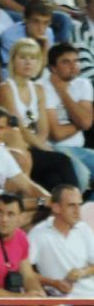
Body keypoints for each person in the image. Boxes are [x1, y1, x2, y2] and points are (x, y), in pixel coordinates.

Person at [0, 37, 78, 193]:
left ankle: (61, 207)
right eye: (23, 57)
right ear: (13, 60)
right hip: (13, 150)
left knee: (53, 179)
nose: (28, 62)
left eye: (33, 58)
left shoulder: (38, 90)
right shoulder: (5, 88)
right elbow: (20, 127)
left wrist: (41, 148)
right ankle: (75, 203)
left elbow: (44, 130)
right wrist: (46, 149)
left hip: (34, 148)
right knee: (63, 161)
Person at [29, 184, 94, 306]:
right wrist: (53, 283)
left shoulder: (84, 230)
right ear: (56, 207)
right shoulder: (39, 234)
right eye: (72, 205)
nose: (78, 211)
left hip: (88, 298)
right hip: (59, 301)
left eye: (79, 205)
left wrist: (82, 272)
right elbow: (25, 271)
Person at [42, 42, 94, 193]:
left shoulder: (83, 84)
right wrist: (80, 121)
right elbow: (56, 134)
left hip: (79, 148)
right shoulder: (43, 87)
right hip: (55, 149)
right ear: (53, 67)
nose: (73, 66)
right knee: (82, 177)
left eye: (76, 61)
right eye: (66, 62)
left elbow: (87, 122)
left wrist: (63, 92)